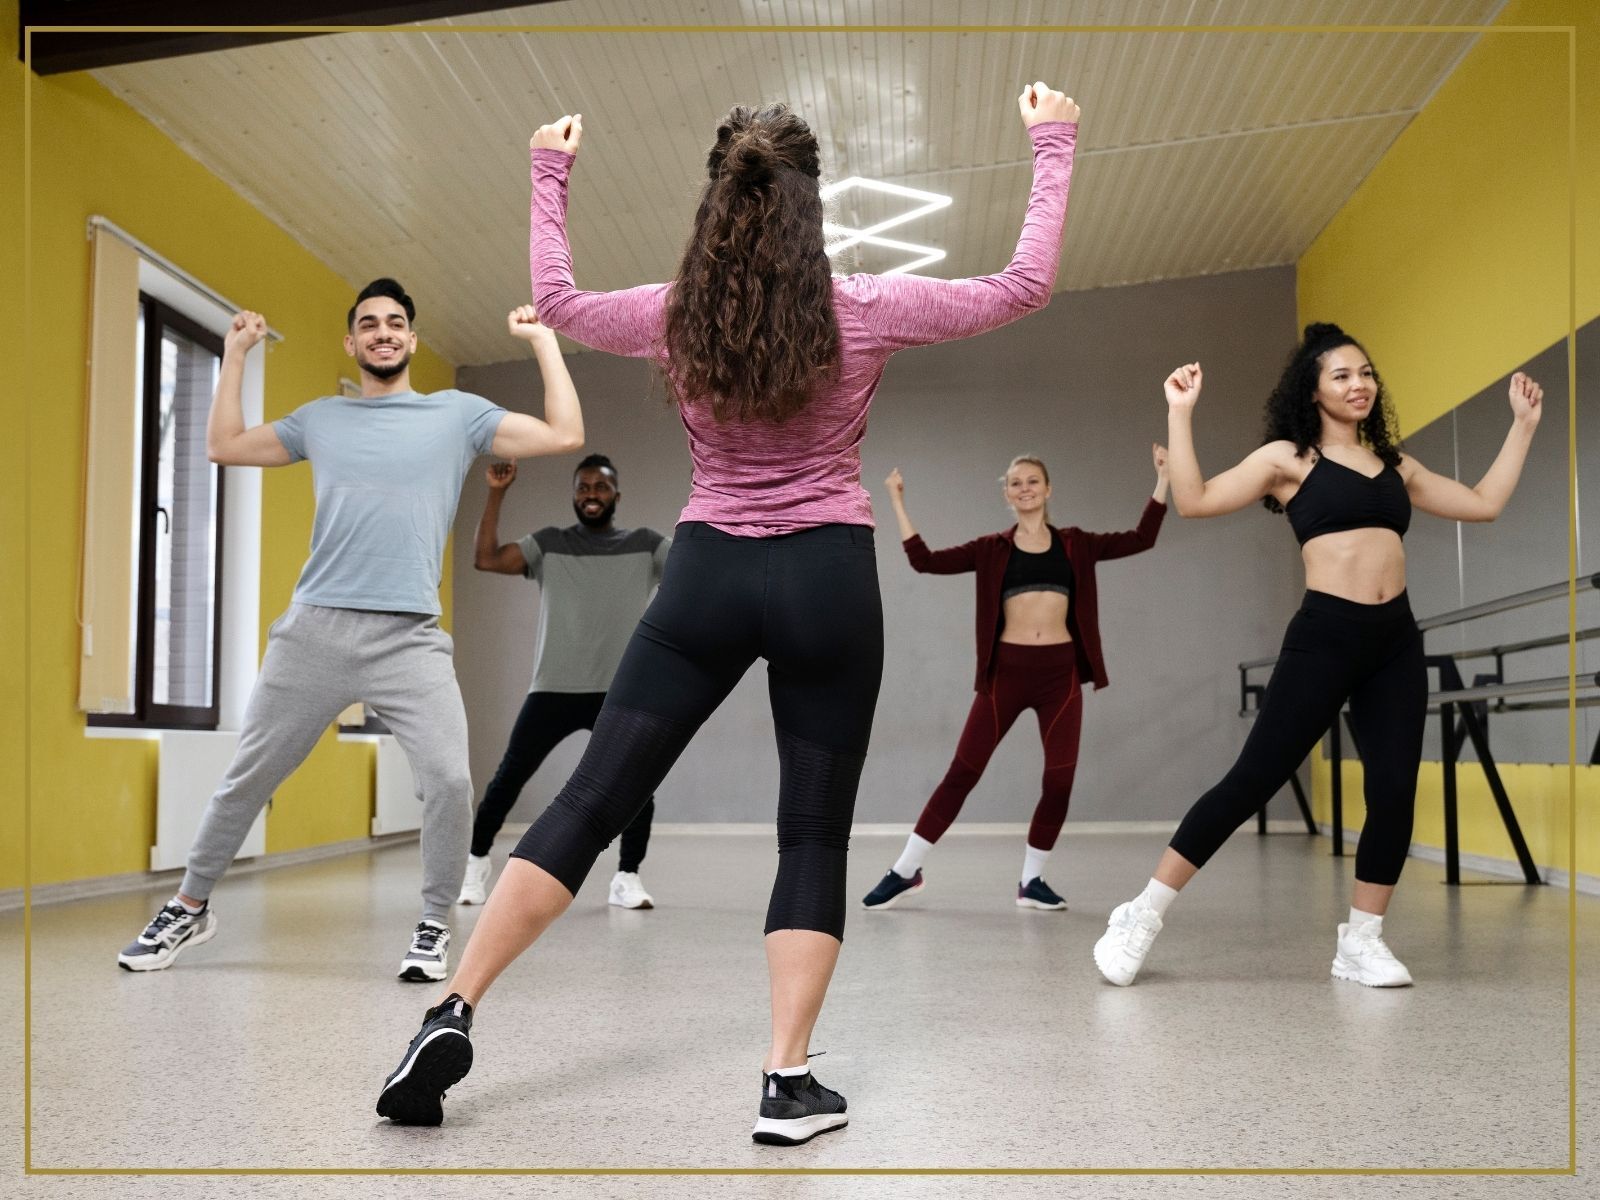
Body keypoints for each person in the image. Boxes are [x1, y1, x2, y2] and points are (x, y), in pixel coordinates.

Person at [377, 82, 1082, 1140]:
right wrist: (1051, 141)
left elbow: (560, 305)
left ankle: (453, 1006)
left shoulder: (675, 314)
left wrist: (548, 167)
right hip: (828, 581)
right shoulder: (866, 306)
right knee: (811, 830)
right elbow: (1025, 285)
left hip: (705, 572)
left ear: (715, 201)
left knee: (586, 802)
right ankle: (784, 1080)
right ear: (813, 205)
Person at [116, 280, 585, 983]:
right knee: (247, 778)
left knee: (452, 781)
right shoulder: (320, 419)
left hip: (410, 639)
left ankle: (432, 923)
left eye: (396, 322)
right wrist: (235, 352)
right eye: (369, 324)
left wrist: (543, 340)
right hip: (316, 631)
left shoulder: (455, 415)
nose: (383, 332)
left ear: (413, 339)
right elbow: (222, 444)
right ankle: (188, 907)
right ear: (352, 342)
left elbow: (565, 434)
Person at [1093, 324, 1543, 988]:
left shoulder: (1396, 465)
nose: (1359, 384)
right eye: (1342, 375)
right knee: (1252, 781)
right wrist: (1180, 414)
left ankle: (1361, 942)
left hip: (1395, 640)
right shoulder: (1289, 460)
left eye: (1366, 373)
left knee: (1392, 789)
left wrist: (1523, 426)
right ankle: (1142, 913)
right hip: (1325, 636)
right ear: (1314, 389)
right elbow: (1193, 501)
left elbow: (1483, 503)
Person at [863, 446, 1168, 912]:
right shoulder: (991, 549)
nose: (1024, 488)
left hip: (1059, 675)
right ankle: (906, 870)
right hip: (1006, 673)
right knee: (962, 773)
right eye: (1015, 482)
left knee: (1060, 781)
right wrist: (897, 500)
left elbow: (1141, 537)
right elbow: (924, 560)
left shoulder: (1076, 543)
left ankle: (1032, 880)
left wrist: (1163, 478)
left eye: (1032, 480)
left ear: (1047, 489)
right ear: (1007, 494)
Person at [459, 453, 670, 910]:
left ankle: (627, 877)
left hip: (620, 691)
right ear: (574, 495)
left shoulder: (648, 544)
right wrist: (496, 493)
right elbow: (486, 558)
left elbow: (695, 574)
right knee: (507, 779)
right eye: (583, 486)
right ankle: (475, 866)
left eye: (601, 486)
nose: (591, 494)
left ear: (617, 495)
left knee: (637, 786)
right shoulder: (549, 543)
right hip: (553, 687)